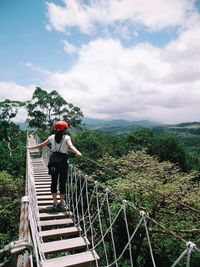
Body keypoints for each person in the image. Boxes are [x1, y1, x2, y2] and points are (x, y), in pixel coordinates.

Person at [28, 120, 82, 210]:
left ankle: (54, 202)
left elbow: (41, 145)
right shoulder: (67, 137)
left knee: (53, 182)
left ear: (55, 128)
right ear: (65, 129)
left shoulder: (52, 137)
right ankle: (61, 203)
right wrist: (77, 152)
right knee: (62, 183)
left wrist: (31, 147)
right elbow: (71, 146)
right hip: (63, 162)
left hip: (53, 161)